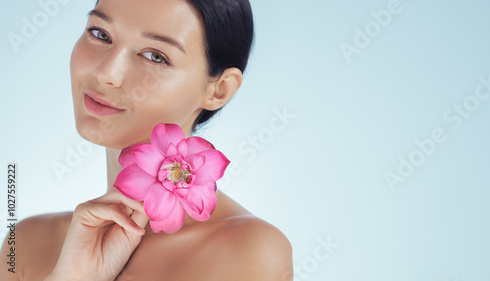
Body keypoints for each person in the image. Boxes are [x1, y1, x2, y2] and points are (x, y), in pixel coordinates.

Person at [0, 0, 293, 280]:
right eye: (100, 34)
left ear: (219, 91)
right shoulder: (25, 243)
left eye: (156, 56)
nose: (106, 74)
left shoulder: (249, 251)